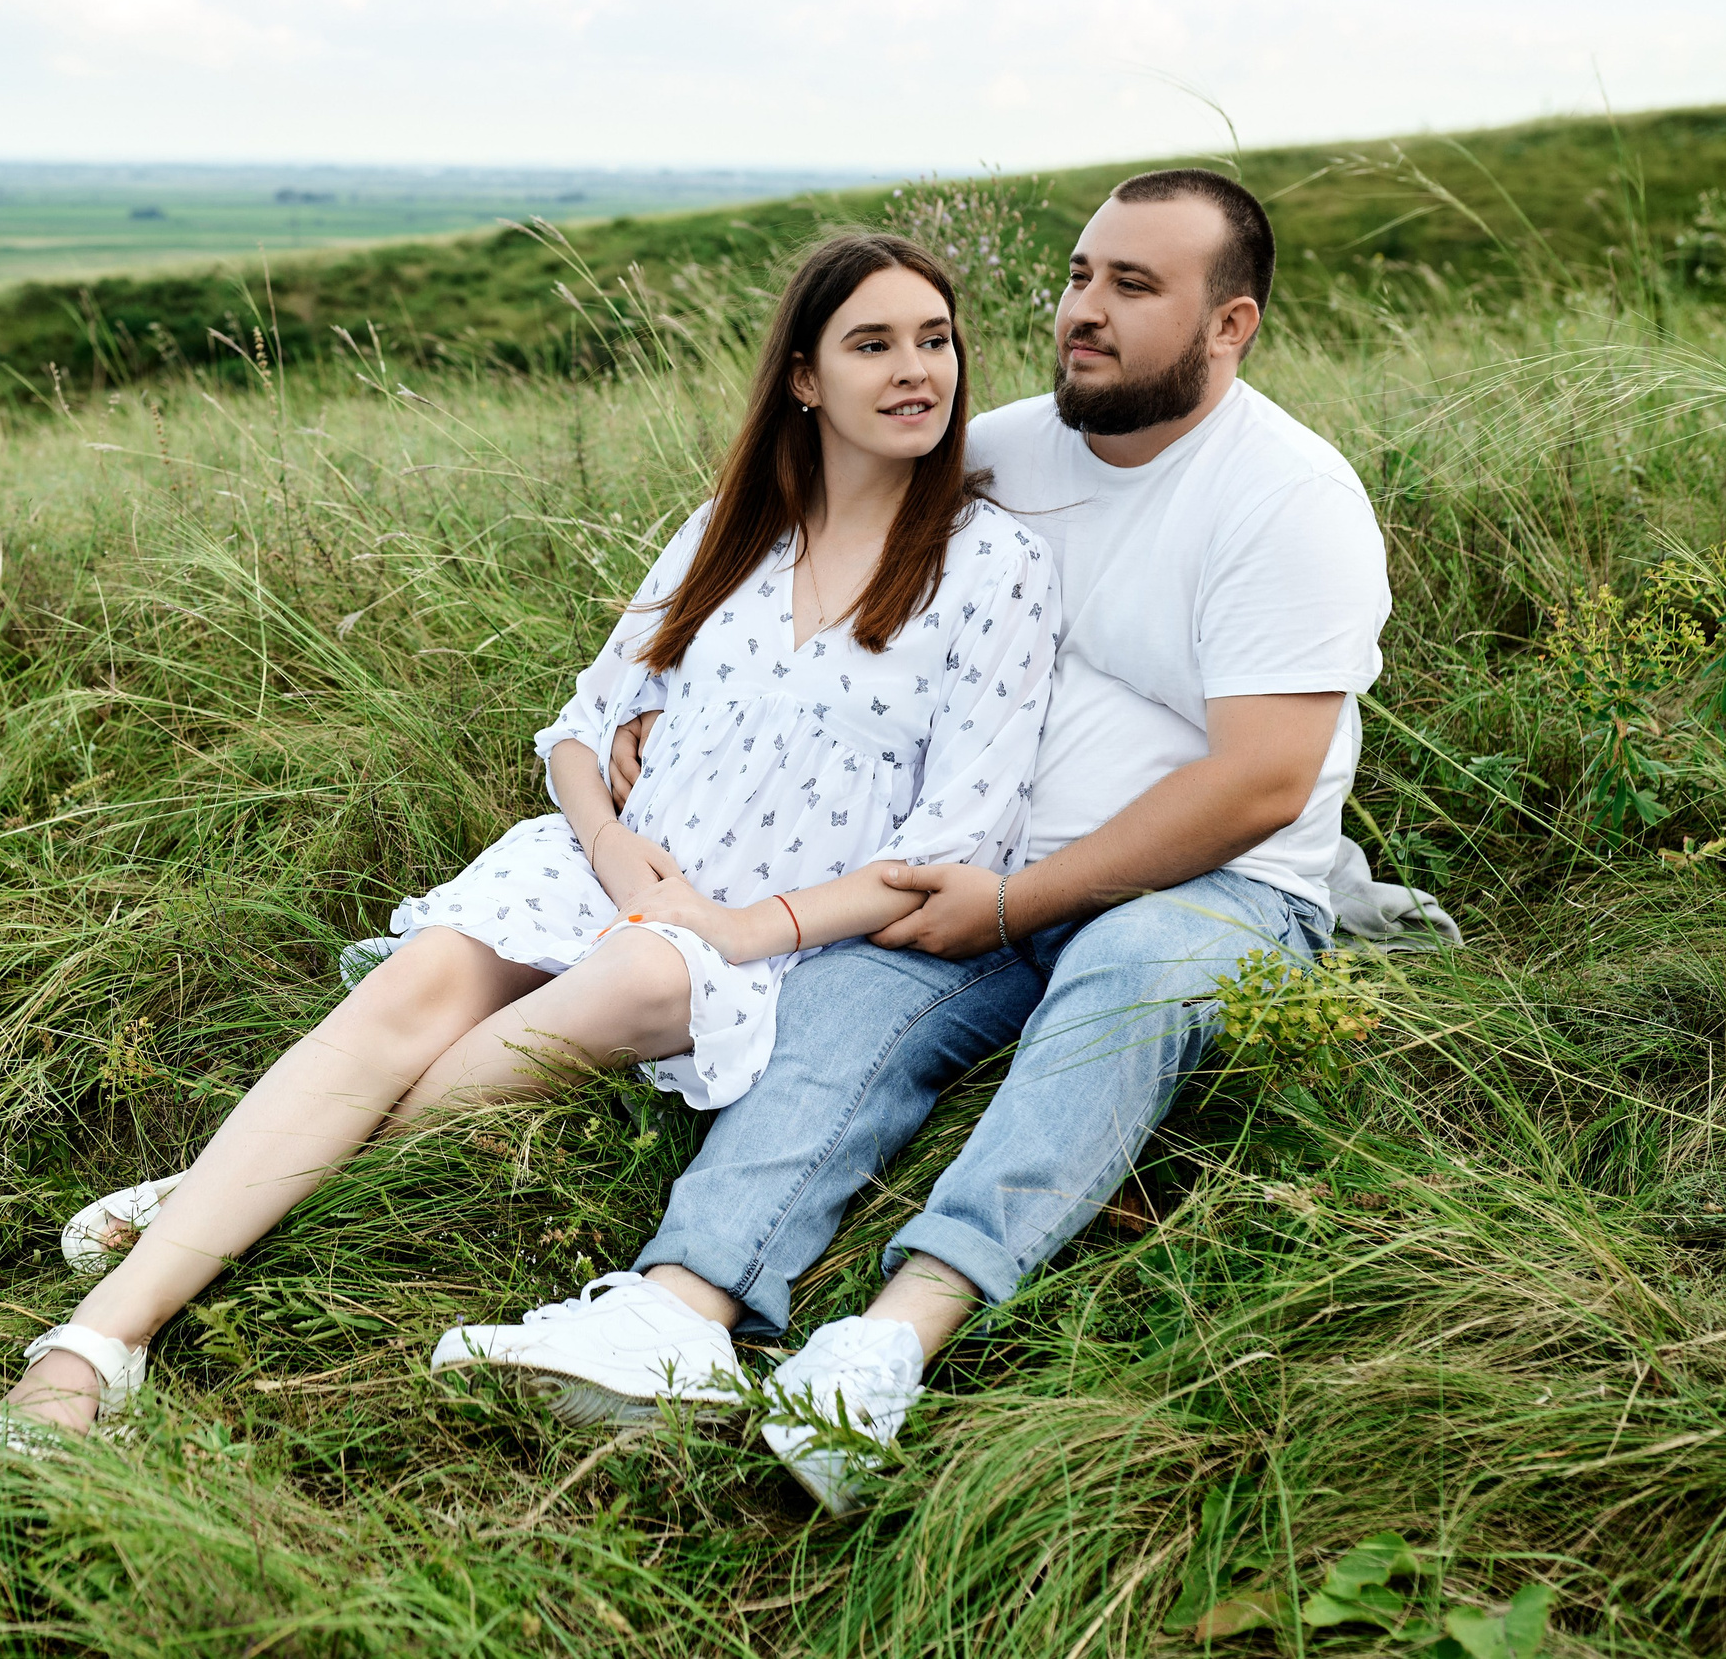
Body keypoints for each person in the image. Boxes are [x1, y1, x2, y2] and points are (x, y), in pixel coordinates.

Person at [0, 231, 1061, 1446]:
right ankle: (92, 1345)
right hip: (608, 862)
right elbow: (582, 723)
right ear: (804, 377)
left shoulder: (989, 566)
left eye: (936, 340)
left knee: (642, 967)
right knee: (425, 980)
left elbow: (954, 842)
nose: (918, 370)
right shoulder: (733, 528)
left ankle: (223, 1189)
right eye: (873, 344)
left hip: (761, 936)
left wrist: (734, 922)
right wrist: (605, 844)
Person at [436, 169, 1393, 1517]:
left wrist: (1015, 903)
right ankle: (677, 1310)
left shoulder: (1288, 496)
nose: (1084, 312)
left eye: (1134, 287)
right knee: (833, 1013)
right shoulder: (1011, 444)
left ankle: (886, 1345)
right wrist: (663, 709)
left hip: (1210, 885)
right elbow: (803, 526)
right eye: (1077, 276)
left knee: (1133, 973)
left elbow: (1262, 783)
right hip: (977, 869)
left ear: (1228, 326)